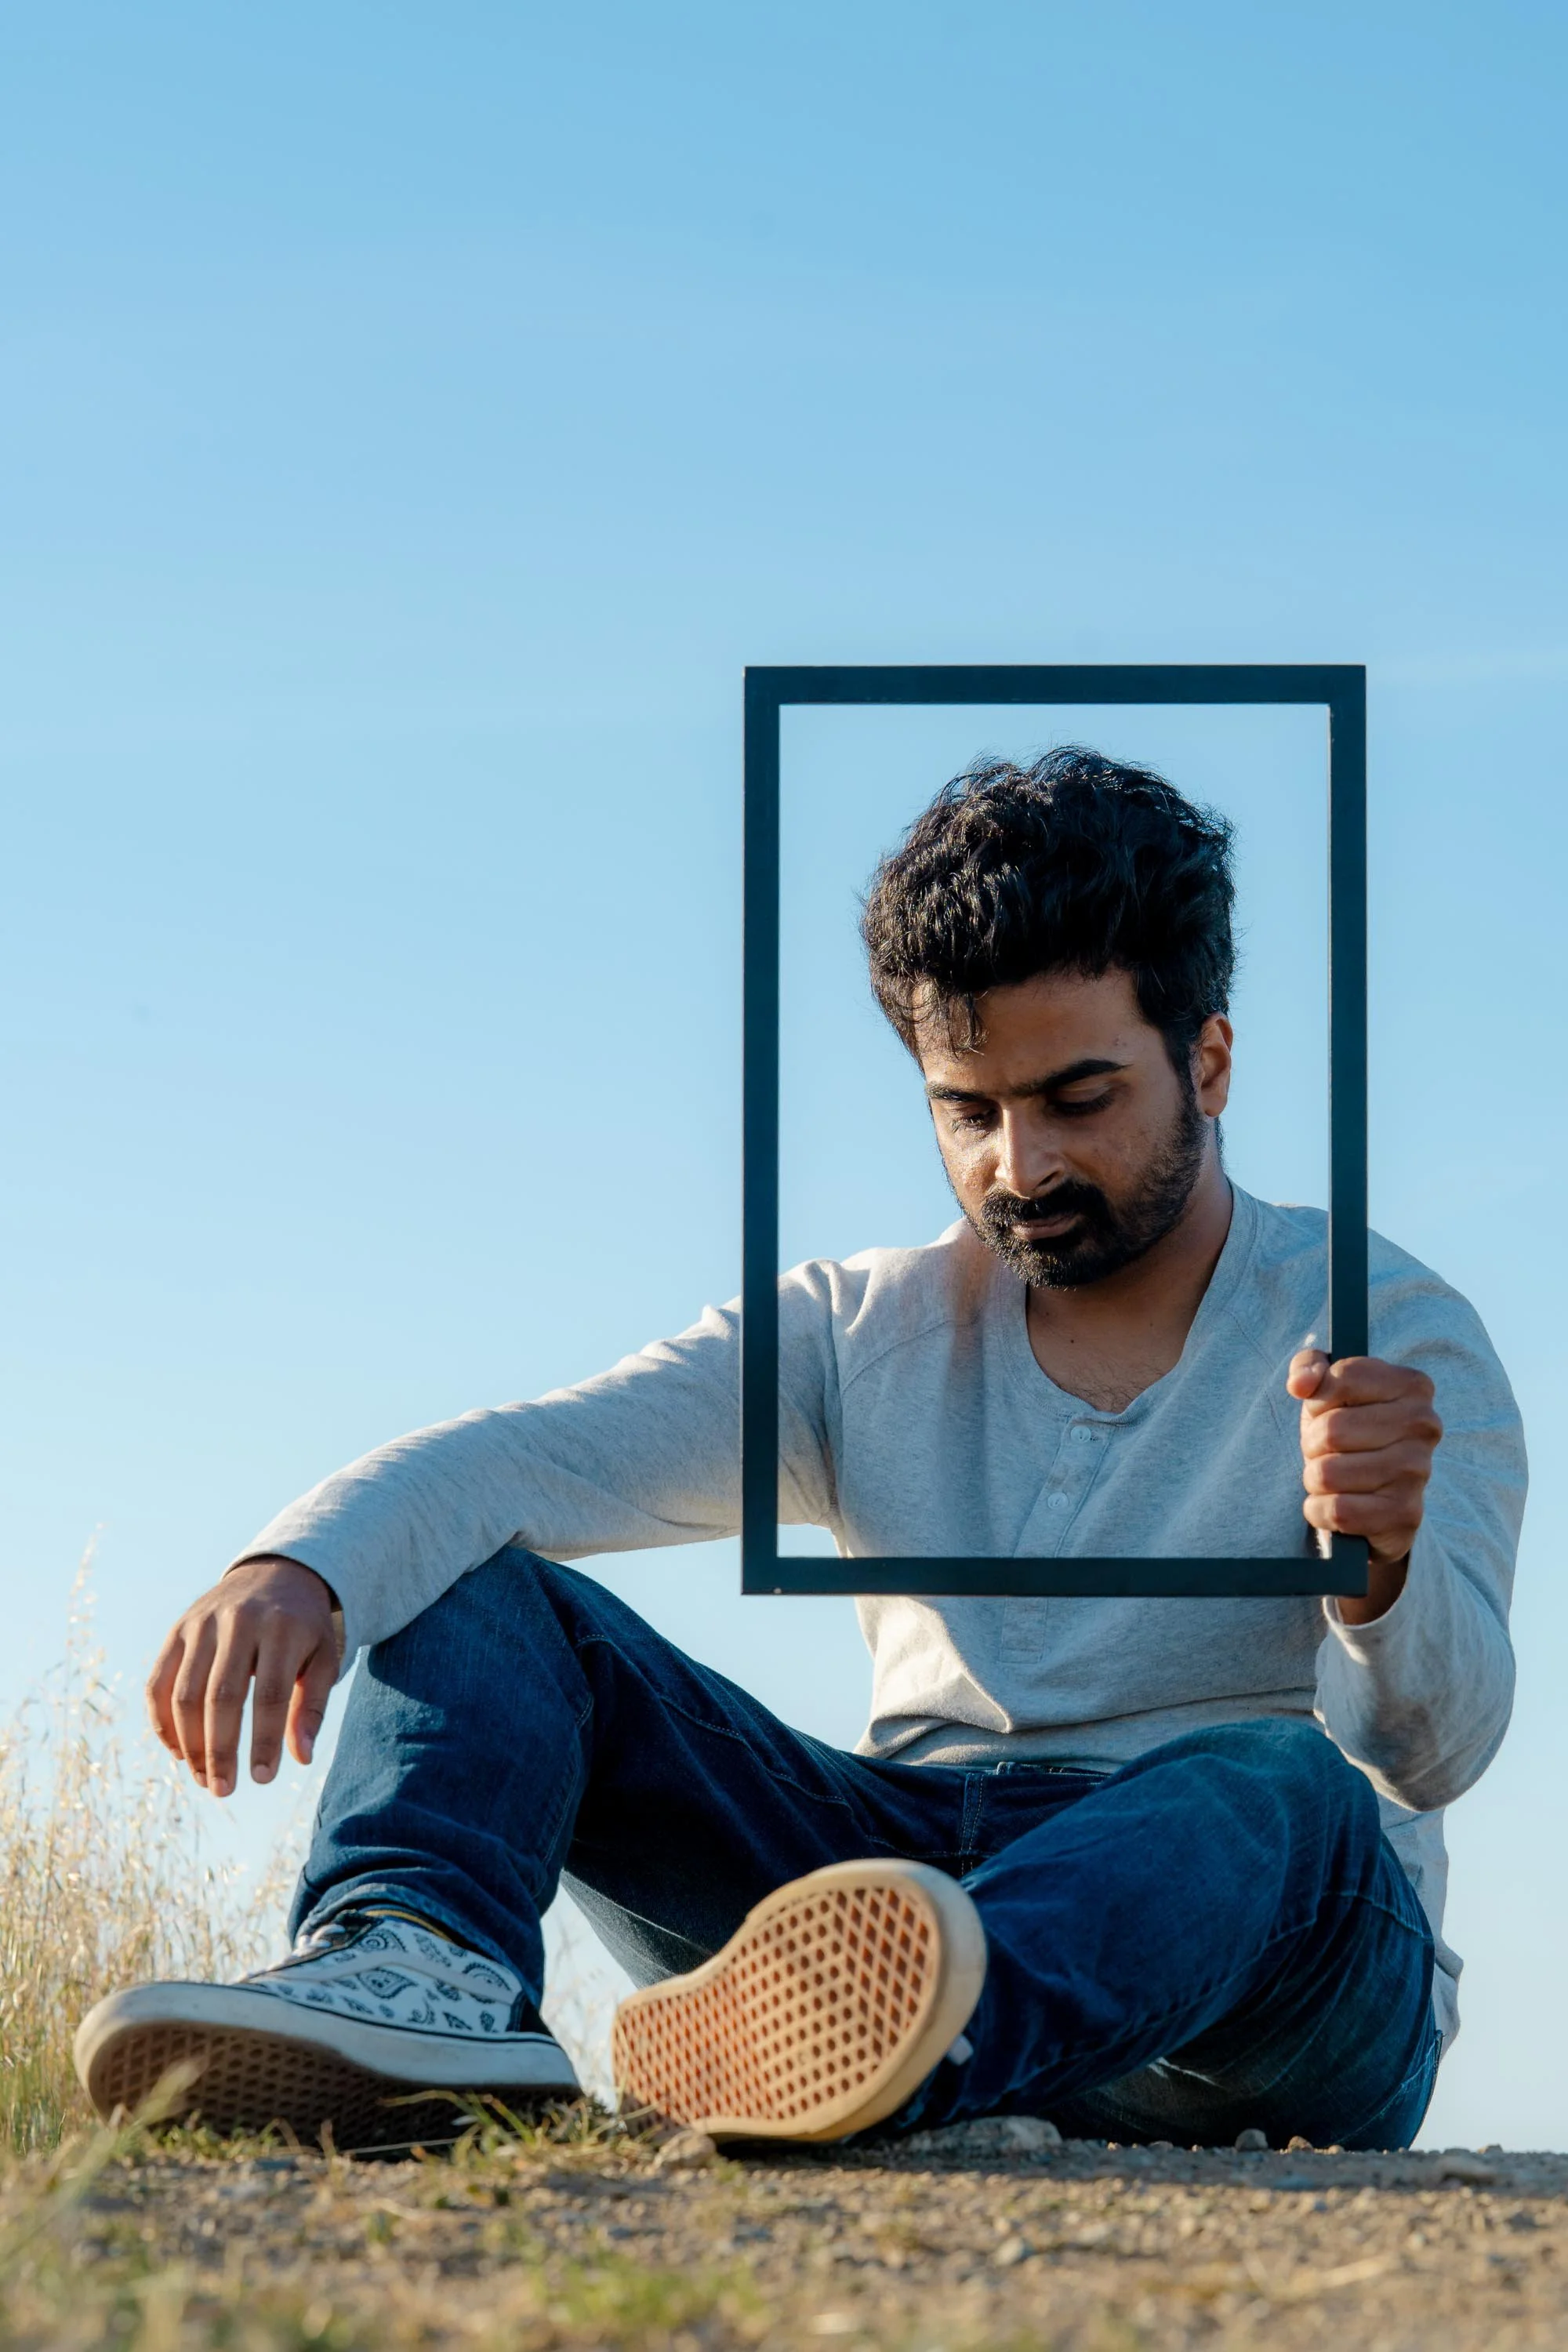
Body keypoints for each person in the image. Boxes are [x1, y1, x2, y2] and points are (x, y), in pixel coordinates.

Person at [75, 749, 1526, 2154]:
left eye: (1078, 1101)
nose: (1017, 1168)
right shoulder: (860, 1331)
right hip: (902, 1869)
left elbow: (1432, 1751)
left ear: (1207, 1061)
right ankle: (421, 1974)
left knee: (1282, 1786)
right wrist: (301, 1563)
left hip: (1258, 1979)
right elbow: (532, 1456)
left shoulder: (1390, 1332)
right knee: (477, 1575)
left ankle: (901, 2041)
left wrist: (1381, 1570)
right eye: (969, 1112)